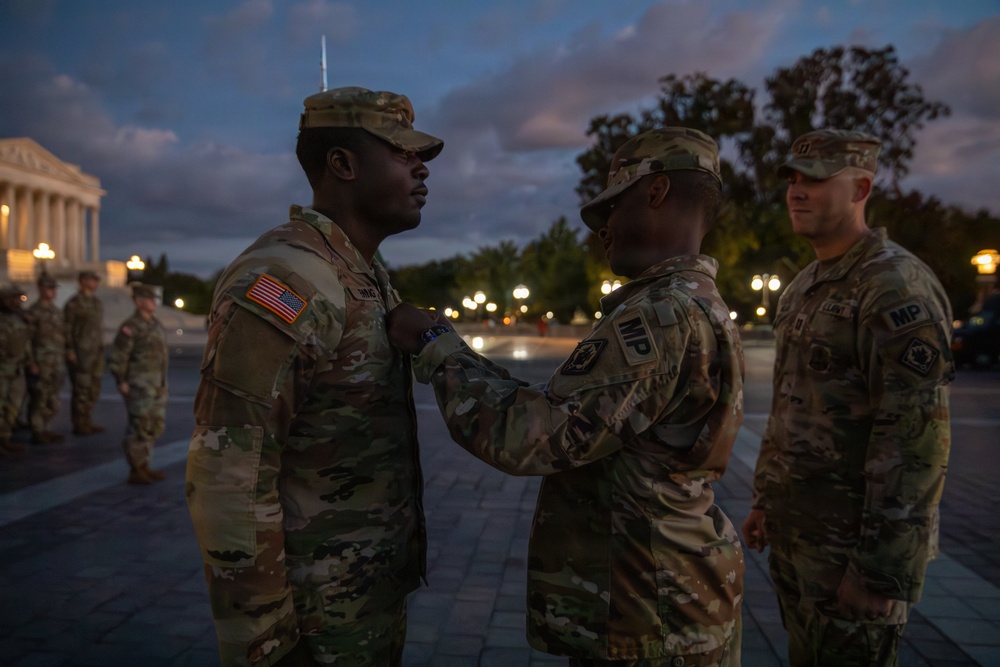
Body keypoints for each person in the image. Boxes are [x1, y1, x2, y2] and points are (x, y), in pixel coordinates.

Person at [388, 128, 745, 666]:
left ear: (656, 191)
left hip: (650, 617)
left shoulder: (660, 314)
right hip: (665, 600)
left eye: (612, 206)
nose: (603, 228)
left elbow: (531, 438)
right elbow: (565, 407)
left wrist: (435, 346)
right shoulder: (693, 303)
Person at [185, 86, 443, 666]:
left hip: (358, 603)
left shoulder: (359, 271)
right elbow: (229, 470)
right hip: (310, 621)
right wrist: (269, 642)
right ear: (343, 165)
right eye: (403, 153)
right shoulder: (288, 278)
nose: (422, 168)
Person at [741, 129, 954, 667]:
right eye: (792, 178)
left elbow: (915, 442)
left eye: (814, 179)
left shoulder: (893, 286)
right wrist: (767, 497)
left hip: (853, 555)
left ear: (861, 187)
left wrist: (881, 571)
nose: (796, 191)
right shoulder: (805, 285)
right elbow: (790, 406)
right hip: (801, 538)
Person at [107, 283, 168, 485]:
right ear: (139, 301)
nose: (153, 302)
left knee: (153, 426)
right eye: (149, 299)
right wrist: (121, 381)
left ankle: (144, 465)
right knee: (138, 426)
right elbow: (118, 356)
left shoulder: (155, 324)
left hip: (156, 385)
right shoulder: (130, 327)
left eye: (154, 299)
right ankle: (135, 469)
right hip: (138, 385)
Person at [64, 270, 106, 435]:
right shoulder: (73, 304)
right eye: (92, 280)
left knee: (93, 389)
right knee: (81, 389)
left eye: (96, 280)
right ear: (82, 281)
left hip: (96, 353)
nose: (95, 283)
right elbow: (67, 328)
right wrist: (69, 350)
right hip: (81, 353)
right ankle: (79, 423)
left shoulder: (97, 303)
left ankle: (87, 420)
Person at [26, 273, 66, 444]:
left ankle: (46, 427)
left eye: (54, 289)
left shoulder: (56, 311)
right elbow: (27, 339)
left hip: (56, 361)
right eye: (49, 288)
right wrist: (31, 362)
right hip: (41, 361)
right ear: (41, 289)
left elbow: (62, 335)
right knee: (39, 397)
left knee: (53, 398)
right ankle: (37, 431)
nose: (52, 292)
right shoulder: (33, 313)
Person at [0, 284, 32, 456]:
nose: (16, 302)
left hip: (17, 369)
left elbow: (26, 341)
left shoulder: (20, 318)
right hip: (2, 369)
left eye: (18, 298)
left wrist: (30, 361)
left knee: (13, 405)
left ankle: (5, 438)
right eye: (12, 298)